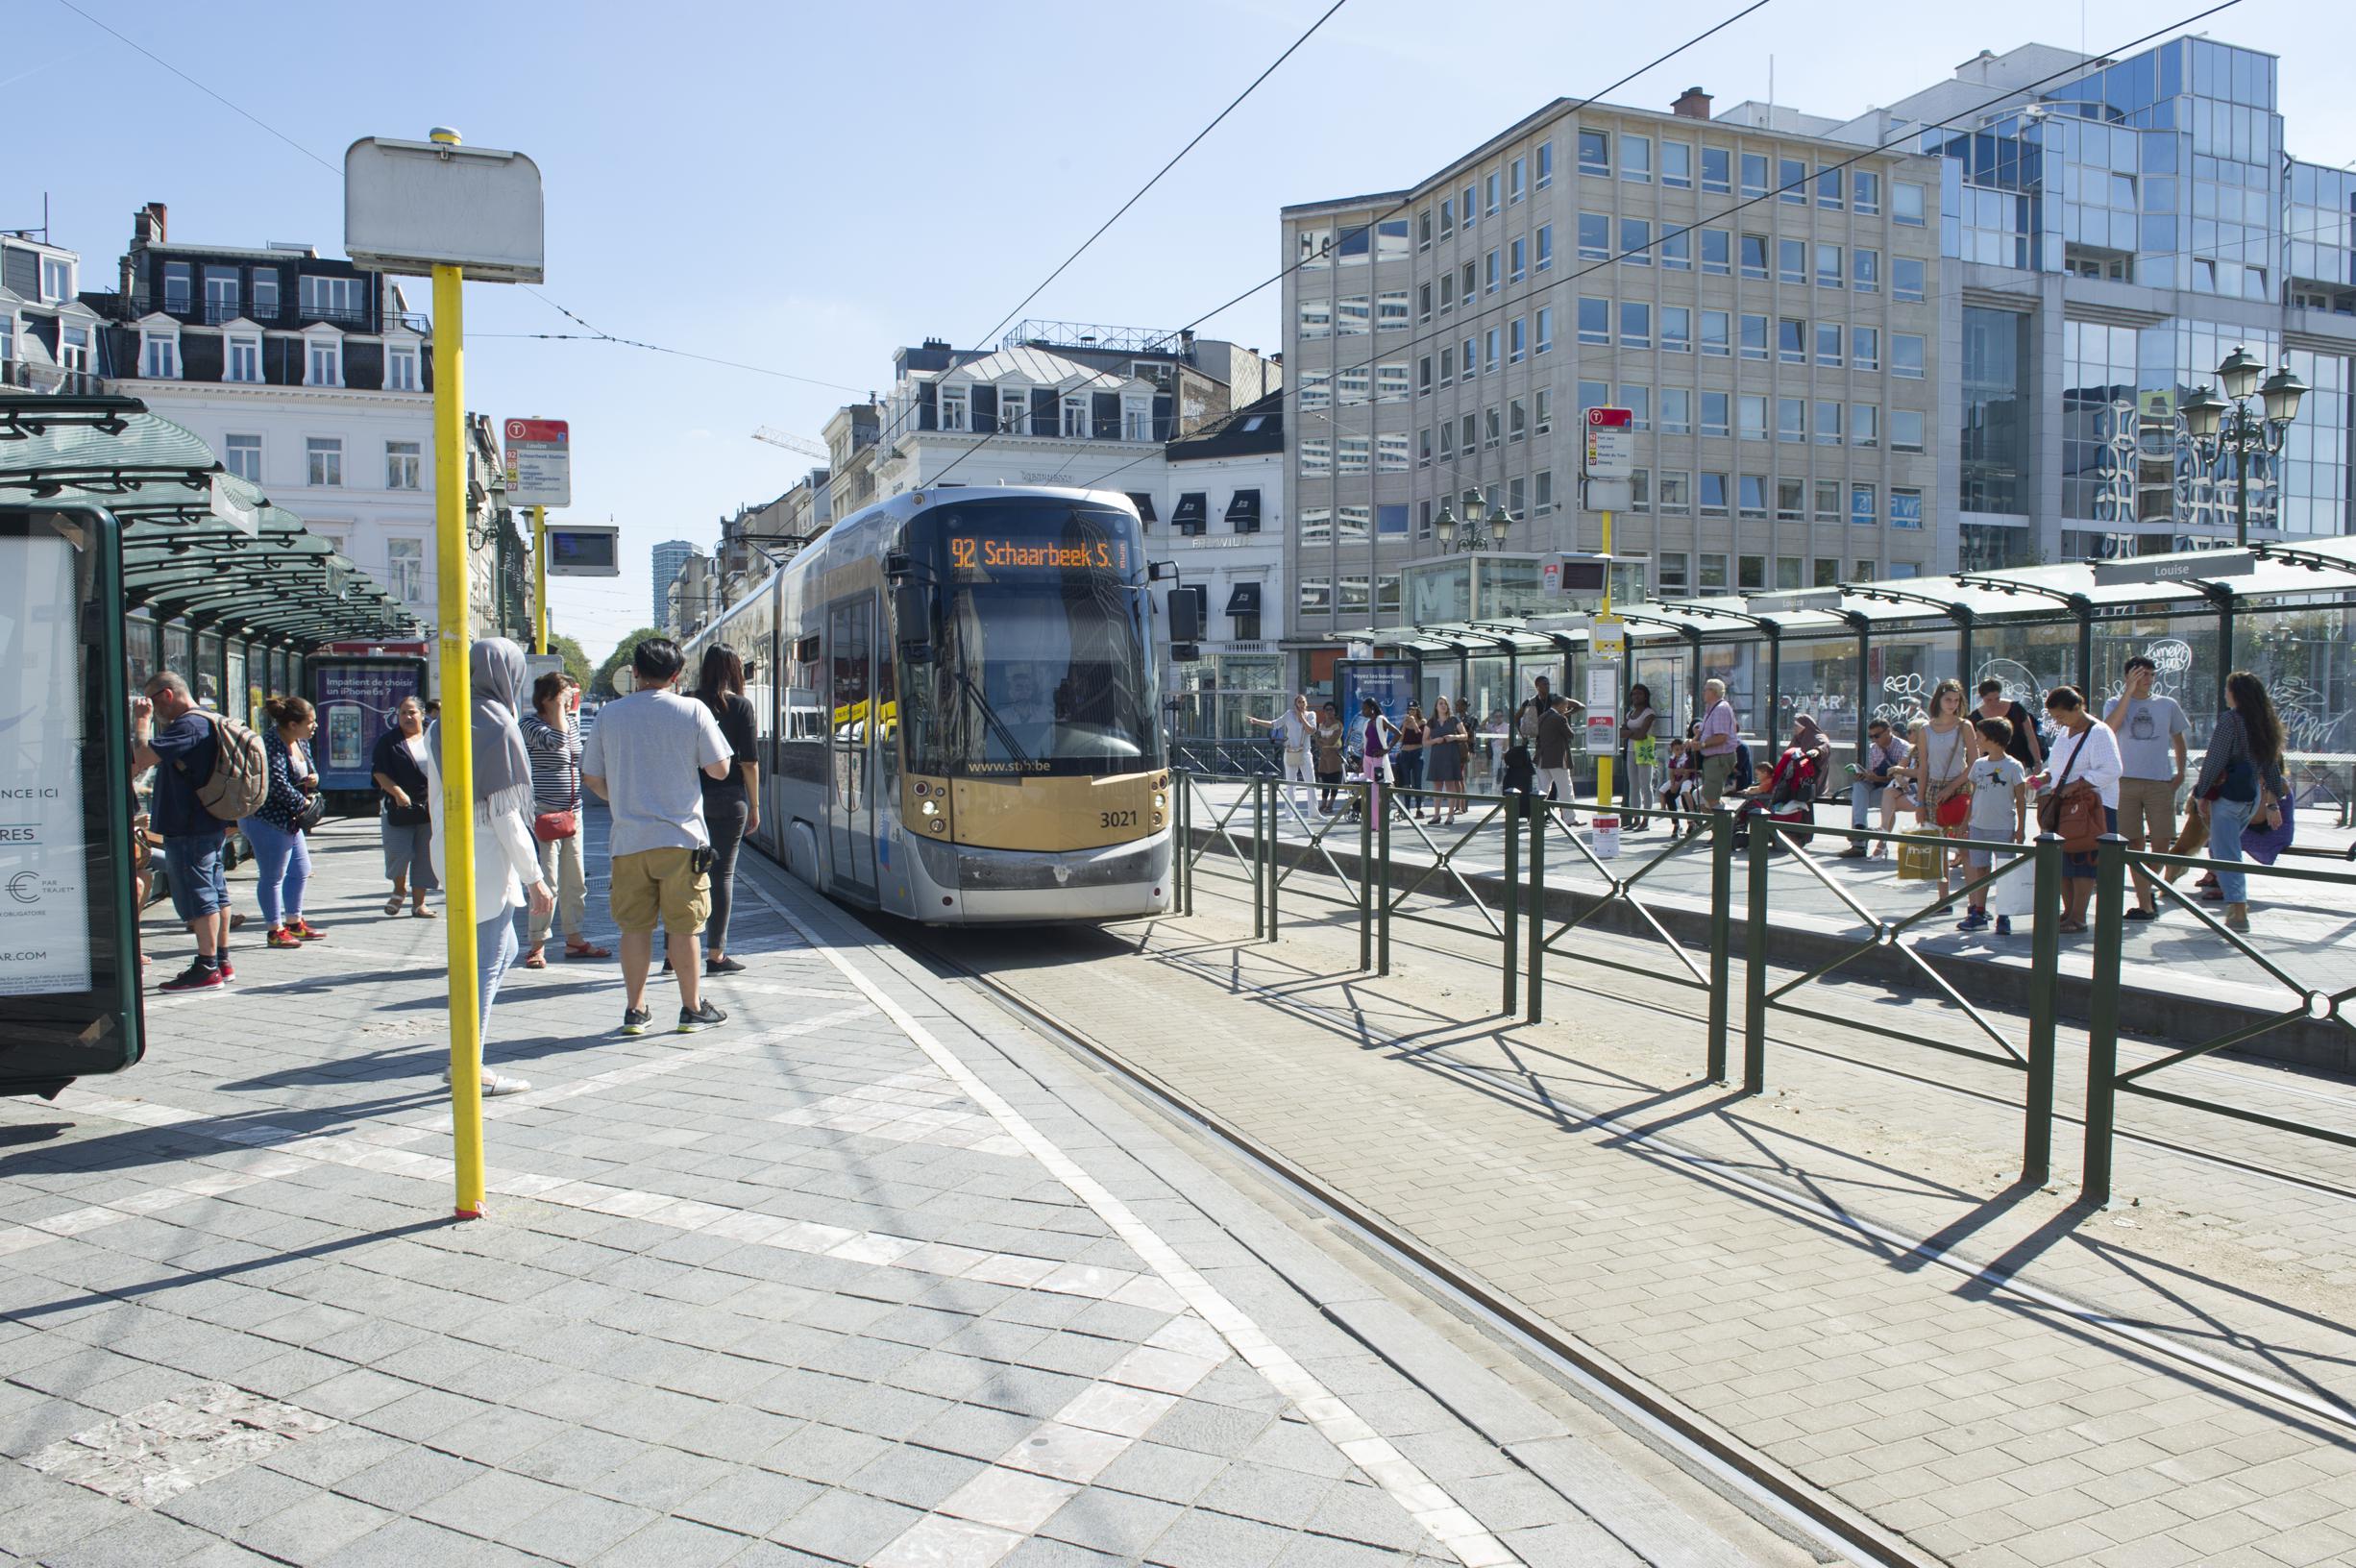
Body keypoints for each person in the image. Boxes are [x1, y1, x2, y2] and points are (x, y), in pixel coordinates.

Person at [582, 636, 733, 1035]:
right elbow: (720, 770)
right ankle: (691, 1008)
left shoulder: (609, 715)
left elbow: (591, 776)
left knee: (634, 928)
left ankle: (635, 1011)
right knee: (685, 928)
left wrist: (621, 799)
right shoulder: (693, 710)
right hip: (681, 839)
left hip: (628, 840)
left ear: (634, 672)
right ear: (677, 674)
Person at [424, 639, 555, 1096]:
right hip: (485, 858)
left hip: (453, 849)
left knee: (502, 950)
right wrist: (535, 877)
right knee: (483, 965)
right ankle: (468, 1066)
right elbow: (505, 812)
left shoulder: (446, 720)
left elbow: (436, 796)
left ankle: (465, 1058)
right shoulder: (497, 723)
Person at [130, 672, 234, 992]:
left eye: (153, 702)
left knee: (199, 894)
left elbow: (141, 758)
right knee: (215, 891)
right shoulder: (210, 719)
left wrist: (142, 722)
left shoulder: (188, 725)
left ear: (166, 695)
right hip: (206, 822)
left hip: (188, 824)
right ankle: (221, 960)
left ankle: (207, 967)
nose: (153, 709)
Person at [520, 674, 609, 968]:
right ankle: (537, 943)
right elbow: (557, 742)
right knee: (548, 881)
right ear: (548, 697)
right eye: (565, 694)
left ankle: (574, 938)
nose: (571, 699)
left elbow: (577, 757)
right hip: (544, 813)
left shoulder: (570, 722)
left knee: (575, 881)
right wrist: (559, 710)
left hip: (573, 812)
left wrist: (565, 712)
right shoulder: (530, 725)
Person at [2191, 672, 2285, 935]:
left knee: (2226, 852)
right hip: (2251, 794)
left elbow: (2215, 758)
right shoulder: (2265, 722)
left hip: (2229, 794)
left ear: (2236, 694)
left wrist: (2201, 791)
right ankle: (2236, 903)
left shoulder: (2231, 719)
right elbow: (2271, 765)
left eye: (2227, 689)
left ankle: (2238, 908)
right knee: (2228, 847)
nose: (2224, 694)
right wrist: (2273, 800)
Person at [2103, 655, 2191, 922]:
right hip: (2125, 781)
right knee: (2133, 843)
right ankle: (2145, 901)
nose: (2148, 680)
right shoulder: (2114, 703)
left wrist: (2181, 773)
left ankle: (2147, 887)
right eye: (2142, 675)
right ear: (2129, 676)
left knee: (2162, 840)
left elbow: (2179, 740)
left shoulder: (2167, 704)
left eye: (2151, 675)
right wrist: (2128, 693)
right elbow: (2109, 729)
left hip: (2159, 782)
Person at [694, 644, 761, 975]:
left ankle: (673, 951)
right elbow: (749, 762)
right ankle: (716, 954)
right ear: (734, 670)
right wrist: (755, 805)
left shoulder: (689, 704)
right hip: (730, 798)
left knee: (686, 875)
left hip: (691, 800)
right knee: (723, 875)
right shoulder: (741, 706)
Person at [240, 695, 325, 951]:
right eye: (310, 722)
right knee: (273, 876)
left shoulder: (300, 741)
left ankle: (294, 922)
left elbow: (307, 771)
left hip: (290, 819)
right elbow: (277, 784)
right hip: (266, 819)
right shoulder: (271, 743)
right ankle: (274, 929)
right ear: (291, 724)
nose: (315, 726)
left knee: (300, 870)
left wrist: (314, 778)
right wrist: (305, 806)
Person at [2039, 685, 2122, 934]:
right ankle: (2068, 911)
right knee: (2063, 861)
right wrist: (2045, 777)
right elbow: (2059, 766)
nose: (2058, 721)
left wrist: (2078, 785)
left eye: (2061, 715)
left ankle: (2078, 915)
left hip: (2092, 807)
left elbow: (2112, 769)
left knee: (2083, 860)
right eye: (2054, 717)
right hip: (2065, 807)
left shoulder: (2099, 732)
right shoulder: (2065, 733)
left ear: (2078, 707)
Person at [1956, 718, 2030, 935]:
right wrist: (1964, 823)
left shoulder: (2013, 767)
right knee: (1981, 868)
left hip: (2003, 826)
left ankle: (2004, 915)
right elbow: (1973, 795)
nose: (1977, 740)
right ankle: (1978, 912)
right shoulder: (1979, 765)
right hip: (1978, 825)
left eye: (1980, 736)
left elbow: (2021, 799)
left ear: (1992, 739)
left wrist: (2021, 829)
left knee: (2005, 872)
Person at [371, 696, 438, 918]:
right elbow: (379, 773)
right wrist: (397, 792)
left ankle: (419, 903)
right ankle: (399, 888)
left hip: (430, 807)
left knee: (425, 857)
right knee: (398, 853)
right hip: (399, 808)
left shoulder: (435, 736)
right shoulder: (388, 741)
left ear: (422, 714)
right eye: (403, 713)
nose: (408, 717)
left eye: (412, 712)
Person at [1908, 678, 1975, 899]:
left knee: (1964, 847)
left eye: (1956, 700)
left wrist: (1953, 787)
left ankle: (1974, 903)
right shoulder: (1926, 729)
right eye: (1948, 699)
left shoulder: (1964, 726)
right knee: (1937, 849)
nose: (1952, 704)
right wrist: (1919, 802)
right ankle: (1943, 900)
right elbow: (1923, 767)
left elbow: (1974, 763)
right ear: (1939, 699)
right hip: (1932, 789)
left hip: (1959, 786)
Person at [1732, 716, 1828, 851]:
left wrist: (1816, 751)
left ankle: (1800, 835)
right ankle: (1796, 835)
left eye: (1797, 726)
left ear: (1805, 726)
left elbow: (1824, 747)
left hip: (1809, 781)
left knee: (1800, 805)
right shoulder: (1797, 739)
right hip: (1793, 782)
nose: (1794, 729)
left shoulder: (1817, 738)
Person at [1839, 718, 1916, 858]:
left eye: (1877, 735)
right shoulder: (1873, 749)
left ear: (1888, 732)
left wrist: (1877, 778)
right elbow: (1873, 774)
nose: (1874, 739)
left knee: (1866, 798)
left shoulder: (1904, 747)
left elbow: (1901, 778)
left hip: (1896, 790)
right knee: (1859, 788)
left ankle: (1859, 841)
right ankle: (1860, 829)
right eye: (1871, 736)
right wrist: (1865, 775)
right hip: (1879, 786)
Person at [1246, 695, 1316, 820]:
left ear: (1306, 703)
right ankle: (1290, 814)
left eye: (1303, 702)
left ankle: (1314, 812)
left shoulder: (1311, 715)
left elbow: (1311, 730)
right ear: (1295, 704)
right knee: (1290, 784)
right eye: (1299, 702)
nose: (1301, 704)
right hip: (1290, 752)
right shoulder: (1289, 714)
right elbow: (1274, 724)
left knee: (1311, 783)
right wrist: (1257, 721)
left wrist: (1302, 717)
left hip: (1305, 752)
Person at [1346, 698, 1398, 822]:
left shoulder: (1381, 719)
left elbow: (1398, 733)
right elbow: (1366, 743)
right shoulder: (1367, 723)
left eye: (1365, 708)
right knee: (1367, 790)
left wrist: (1387, 750)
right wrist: (1361, 763)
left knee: (1376, 790)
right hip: (1367, 759)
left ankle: (1378, 823)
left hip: (1377, 759)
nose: (1362, 711)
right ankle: (1369, 821)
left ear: (1372, 709)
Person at [1533, 693, 1581, 824]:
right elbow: (1570, 735)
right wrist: (1565, 717)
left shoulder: (1542, 716)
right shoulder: (1559, 718)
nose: (1566, 710)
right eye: (1565, 707)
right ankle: (1570, 818)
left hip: (1542, 758)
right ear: (1560, 705)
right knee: (1566, 789)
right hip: (1557, 759)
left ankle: (1535, 817)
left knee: (1542, 790)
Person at [1977, 678, 2044, 773]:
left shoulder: (2016, 709)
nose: (1994, 703)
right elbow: (1979, 745)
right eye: (1989, 700)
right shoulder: (1976, 716)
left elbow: (2031, 737)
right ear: (1982, 698)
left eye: (1997, 699)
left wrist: (2038, 762)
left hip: (2018, 761)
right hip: (1990, 765)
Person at [1424, 696, 1469, 823]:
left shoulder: (1454, 719)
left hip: (1451, 755)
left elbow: (1465, 735)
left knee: (1450, 784)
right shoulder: (1431, 721)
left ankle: (1450, 815)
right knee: (1437, 786)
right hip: (1437, 756)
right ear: (1436, 707)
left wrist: (1454, 737)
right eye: (1440, 704)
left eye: (1445, 703)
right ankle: (1436, 815)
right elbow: (1424, 742)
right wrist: (1435, 740)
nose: (1443, 706)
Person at [1695, 679, 1738, 807]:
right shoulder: (1711, 708)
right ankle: (1719, 824)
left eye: (1705, 689)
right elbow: (1702, 731)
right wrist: (1693, 741)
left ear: (1713, 692)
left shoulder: (1720, 709)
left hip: (1719, 758)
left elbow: (1721, 737)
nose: (1703, 692)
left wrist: (1702, 745)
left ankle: (1726, 824)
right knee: (1706, 798)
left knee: (1711, 798)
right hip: (1712, 758)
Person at [1621, 685, 1657, 832]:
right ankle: (1635, 818)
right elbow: (1620, 732)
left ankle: (1646, 819)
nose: (1636, 696)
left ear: (1645, 696)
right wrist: (1632, 732)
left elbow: (1642, 734)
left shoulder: (1649, 713)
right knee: (1633, 786)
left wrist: (1628, 732)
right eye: (1633, 694)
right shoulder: (1630, 713)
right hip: (1630, 750)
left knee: (1645, 785)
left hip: (1644, 751)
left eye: (1639, 694)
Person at [1313, 702, 1346, 815]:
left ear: (1335, 711)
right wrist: (1323, 742)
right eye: (1327, 709)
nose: (1329, 711)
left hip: (1334, 755)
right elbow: (1316, 739)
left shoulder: (1338, 725)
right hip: (1324, 756)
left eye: (1331, 709)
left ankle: (1330, 804)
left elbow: (1331, 740)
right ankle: (1323, 803)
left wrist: (1322, 741)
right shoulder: (1321, 724)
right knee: (1325, 780)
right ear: (1324, 711)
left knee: (1334, 780)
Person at [1394, 705, 1427, 798]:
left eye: (1413, 709)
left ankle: (1419, 806)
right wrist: (1405, 724)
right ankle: (1406, 807)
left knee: (1417, 782)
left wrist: (1413, 722)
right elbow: (1400, 739)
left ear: (1417, 710)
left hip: (1416, 752)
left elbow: (1420, 736)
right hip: (1405, 753)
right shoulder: (1405, 722)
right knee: (1406, 782)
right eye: (1409, 709)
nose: (1411, 711)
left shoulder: (1422, 722)